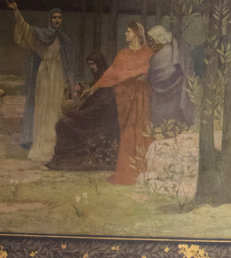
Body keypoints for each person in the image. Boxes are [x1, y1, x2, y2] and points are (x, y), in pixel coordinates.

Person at [7, 1, 79, 163]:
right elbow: (25, 30)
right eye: (54, 17)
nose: (57, 20)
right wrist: (16, 12)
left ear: (62, 20)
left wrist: (71, 83)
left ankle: (55, 147)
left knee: (56, 109)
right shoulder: (41, 35)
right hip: (45, 77)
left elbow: (70, 64)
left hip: (59, 77)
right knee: (43, 109)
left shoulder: (65, 40)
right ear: (50, 19)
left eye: (59, 17)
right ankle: (42, 146)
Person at [86, 21, 154, 185]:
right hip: (127, 98)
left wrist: (142, 74)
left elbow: (152, 71)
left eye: (129, 31)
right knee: (129, 132)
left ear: (137, 34)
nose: (125, 34)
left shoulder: (149, 53)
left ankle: (145, 170)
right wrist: (94, 87)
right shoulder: (123, 54)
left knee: (143, 129)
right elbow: (113, 73)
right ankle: (128, 171)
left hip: (144, 98)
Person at [44, 52, 120, 172]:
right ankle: (59, 159)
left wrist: (75, 114)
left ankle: (63, 160)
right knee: (62, 123)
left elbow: (98, 109)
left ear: (100, 64)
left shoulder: (107, 84)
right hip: (91, 117)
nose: (91, 67)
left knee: (63, 124)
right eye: (89, 64)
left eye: (93, 64)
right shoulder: (97, 81)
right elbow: (93, 101)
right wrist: (82, 98)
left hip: (99, 124)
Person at [145, 25, 194, 129]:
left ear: (160, 39)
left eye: (153, 41)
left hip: (171, 96)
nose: (151, 44)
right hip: (165, 96)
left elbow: (161, 75)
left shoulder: (165, 52)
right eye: (150, 41)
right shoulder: (164, 52)